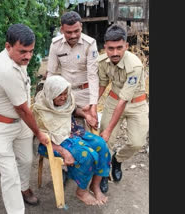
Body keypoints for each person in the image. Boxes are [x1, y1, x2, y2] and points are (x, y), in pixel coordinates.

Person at [0, 24, 49, 214]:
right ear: (8, 46)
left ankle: (24, 188)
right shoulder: (6, 69)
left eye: (31, 51)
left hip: (20, 122)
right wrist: (39, 133)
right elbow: (23, 109)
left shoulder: (18, 61)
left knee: (26, 160)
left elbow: (23, 108)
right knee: (10, 174)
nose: (27, 56)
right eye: (22, 52)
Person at [32, 75, 111, 206]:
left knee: (101, 145)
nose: (64, 97)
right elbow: (40, 138)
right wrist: (63, 152)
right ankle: (81, 191)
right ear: (51, 94)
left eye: (65, 93)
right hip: (51, 143)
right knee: (86, 156)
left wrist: (86, 115)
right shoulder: (40, 110)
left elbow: (73, 110)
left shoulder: (66, 101)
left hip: (71, 133)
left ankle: (95, 186)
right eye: (59, 95)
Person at [98, 24, 149, 182]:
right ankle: (104, 172)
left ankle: (117, 160)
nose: (115, 53)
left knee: (137, 143)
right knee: (105, 142)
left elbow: (124, 100)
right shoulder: (102, 62)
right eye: (110, 48)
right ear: (105, 46)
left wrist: (108, 130)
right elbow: (102, 84)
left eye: (119, 48)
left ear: (126, 46)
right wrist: (92, 107)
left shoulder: (134, 65)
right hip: (114, 100)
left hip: (136, 104)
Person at [46, 11, 99, 131]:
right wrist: (49, 97)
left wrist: (93, 105)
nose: (73, 35)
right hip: (65, 95)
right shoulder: (56, 45)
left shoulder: (90, 44)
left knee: (88, 131)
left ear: (81, 26)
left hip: (85, 94)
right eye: (68, 32)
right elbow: (51, 73)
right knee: (65, 130)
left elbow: (93, 76)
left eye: (77, 31)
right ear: (62, 30)